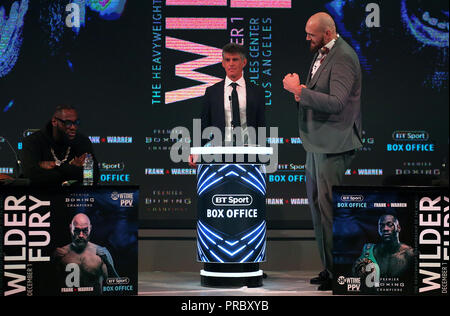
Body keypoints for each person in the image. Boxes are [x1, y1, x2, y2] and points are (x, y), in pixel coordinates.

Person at [282, 12, 363, 291]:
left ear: (327, 33)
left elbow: (338, 102)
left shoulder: (343, 57)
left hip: (334, 144)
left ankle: (340, 270)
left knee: (329, 210)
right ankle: (329, 269)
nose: (307, 38)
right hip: (316, 143)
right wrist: (301, 93)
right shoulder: (323, 52)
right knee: (318, 208)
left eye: (311, 34)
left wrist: (300, 90)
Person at [189, 43, 266, 167]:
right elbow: (203, 124)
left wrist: (264, 154)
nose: (231, 63)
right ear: (223, 63)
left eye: (235, 59)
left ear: (244, 62)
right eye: (227, 60)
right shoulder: (212, 92)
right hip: (218, 155)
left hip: (250, 154)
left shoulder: (257, 92)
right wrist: (195, 151)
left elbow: (261, 124)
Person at [20, 104, 99, 185]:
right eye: (68, 123)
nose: (73, 127)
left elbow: (92, 176)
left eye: (76, 122)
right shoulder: (33, 141)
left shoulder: (82, 142)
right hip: (40, 195)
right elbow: (31, 175)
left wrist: (57, 165)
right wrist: (73, 169)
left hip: (73, 196)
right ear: (54, 122)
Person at [53, 213, 119, 295]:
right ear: (71, 228)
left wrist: (109, 265)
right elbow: (48, 285)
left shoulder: (100, 253)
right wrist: (52, 262)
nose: (81, 235)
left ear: (90, 228)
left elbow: (117, 286)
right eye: (77, 230)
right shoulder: (61, 254)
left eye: (85, 231)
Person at [353, 214, 415, 287]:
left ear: (398, 228)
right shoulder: (369, 251)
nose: (385, 228)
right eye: (382, 225)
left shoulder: (410, 255)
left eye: (390, 225)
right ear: (378, 229)